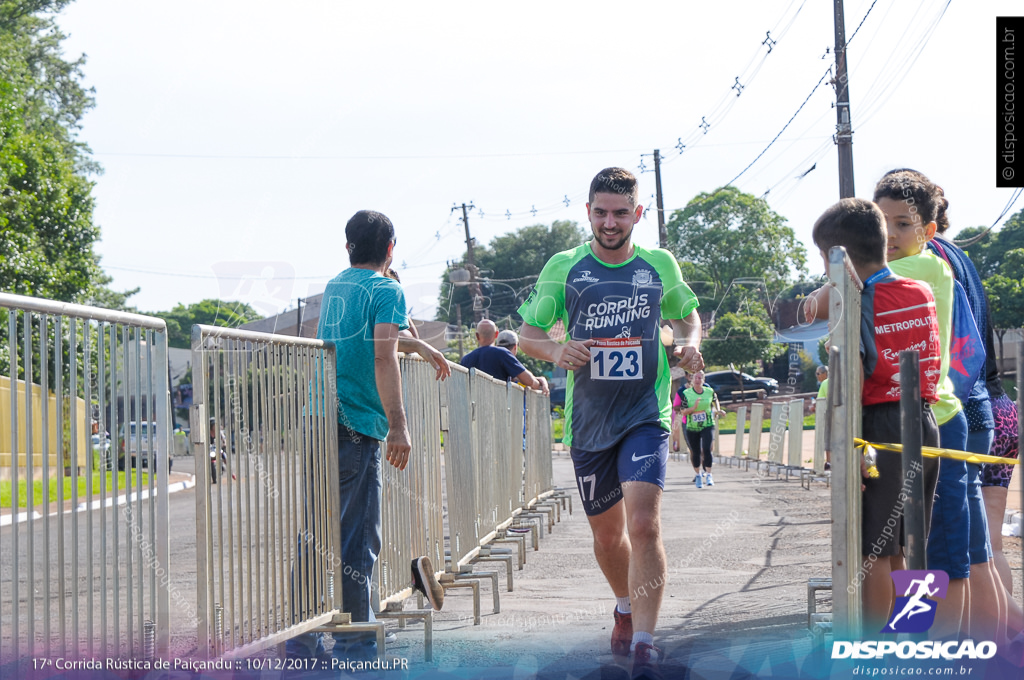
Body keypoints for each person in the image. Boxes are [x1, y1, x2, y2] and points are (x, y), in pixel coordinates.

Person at [517, 167, 703, 680]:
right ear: (589, 213)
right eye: (601, 211)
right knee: (608, 537)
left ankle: (645, 642)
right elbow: (527, 334)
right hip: (589, 420)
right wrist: (557, 348)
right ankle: (624, 604)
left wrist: (691, 344)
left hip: (646, 411)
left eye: (621, 212)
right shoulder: (565, 266)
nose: (610, 221)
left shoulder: (658, 264)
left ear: (637, 214)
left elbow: (687, 316)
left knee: (644, 524)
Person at [285, 210, 452, 663]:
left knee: (316, 532)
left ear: (347, 246)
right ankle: (358, 641)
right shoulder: (386, 288)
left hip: (318, 417)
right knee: (358, 538)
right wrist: (399, 426)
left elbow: (379, 342)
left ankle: (300, 640)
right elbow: (383, 357)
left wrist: (414, 343)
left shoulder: (338, 285)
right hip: (356, 424)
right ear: (391, 248)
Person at [808, 197, 942, 634]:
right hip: (923, 421)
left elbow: (820, 317)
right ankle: (909, 638)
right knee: (908, 545)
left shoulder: (858, 301)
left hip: (880, 429)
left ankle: (872, 643)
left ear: (839, 260)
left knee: (872, 551)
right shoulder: (918, 291)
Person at [873, 170, 972, 640]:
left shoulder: (925, 267)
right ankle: (910, 645)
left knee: (939, 558)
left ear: (929, 233)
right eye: (880, 222)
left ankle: (948, 654)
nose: (889, 235)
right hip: (897, 420)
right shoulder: (887, 270)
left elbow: (839, 288)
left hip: (938, 420)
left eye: (903, 224)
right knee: (900, 548)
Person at [461, 320, 546, 392]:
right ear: (496, 334)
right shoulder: (502, 354)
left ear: (477, 336)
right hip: (499, 407)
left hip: (474, 409)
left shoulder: (466, 359)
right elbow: (528, 380)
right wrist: (539, 384)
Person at [679, 371, 723, 489]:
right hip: (692, 427)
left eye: (700, 378)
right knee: (696, 451)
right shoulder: (686, 393)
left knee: (707, 448)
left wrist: (718, 410)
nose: (698, 380)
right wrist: (693, 408)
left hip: (707, 424)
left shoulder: (709, 391)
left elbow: (715, 400)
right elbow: (683, 411)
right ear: (692, 380)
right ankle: (698, 474)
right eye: (695, 378)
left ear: (703, 380)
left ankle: (709, 474)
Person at [494, 329, 550, 394]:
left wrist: (542, 380)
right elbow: (531, 381)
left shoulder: (493, 359)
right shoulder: (511, 362)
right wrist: (540, 383)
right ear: (515, 347)